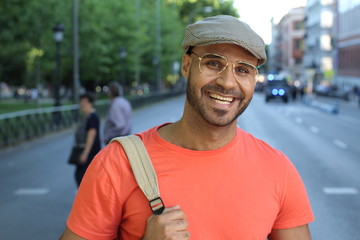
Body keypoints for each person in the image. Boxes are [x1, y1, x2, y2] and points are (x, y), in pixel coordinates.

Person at [60, 15, 314, 239]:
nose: (227, 82)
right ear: (186, 65)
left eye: (243, 70)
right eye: (213, 63)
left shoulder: (278, 170)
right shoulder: (117, 163)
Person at [73, 93, 101, 187]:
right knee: (82, 176)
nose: (82, 104)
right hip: (86, 151)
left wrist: (85, 153)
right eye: (81, 102)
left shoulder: (92, 117)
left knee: (81, 176)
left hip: (90, 153)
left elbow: (91, 135)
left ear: (91, 103)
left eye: (85, 102)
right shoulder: (86, 116)